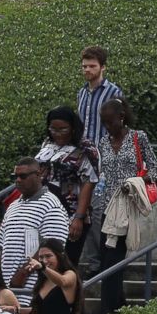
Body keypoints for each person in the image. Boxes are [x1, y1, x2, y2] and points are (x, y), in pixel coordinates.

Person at [96, 98, 157, 314]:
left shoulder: (137, 137)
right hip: (107, 206)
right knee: (107, 258)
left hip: (127, 206)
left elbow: (155, 169)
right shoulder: (103, 142)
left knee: (113, 258)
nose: (107, 128)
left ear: (121, 118)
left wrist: (135, 183)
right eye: (104, 123)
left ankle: (108, 310)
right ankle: (118, 304)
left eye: (110, 122)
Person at [0, 157, 70, 307]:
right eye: (15, 176)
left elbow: (52, 250)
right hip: (7, 292)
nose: (18, 180)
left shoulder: (51, 205)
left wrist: (22, 275)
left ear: (38, 175)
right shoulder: (12, 206)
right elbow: (2, 247)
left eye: (23, 176)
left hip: (32, 293)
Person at [76, 46, 122, 278]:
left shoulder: (113, 92)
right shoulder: (82, 93)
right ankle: (93, 261)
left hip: (104, 161)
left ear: (103, 67)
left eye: (92, 66)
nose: (87, 70)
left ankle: (99, 263)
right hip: (85, 159)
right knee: (84, 211)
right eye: (84, 66)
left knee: (98, 213)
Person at [36, 106, 100, 266]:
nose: (57, 133)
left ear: (73, 128)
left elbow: (89, 182)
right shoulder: (47, 143)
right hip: (45, 210)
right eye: (53, 129)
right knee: (44, 263)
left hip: (71, 212)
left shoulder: (86, 148)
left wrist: (78, 217)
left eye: (62, 129)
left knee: (66, 263)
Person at [25, 239, 84, 314]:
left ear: (60, 255)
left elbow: (63, 281)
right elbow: (39, 310)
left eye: (48, 256)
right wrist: (16, 310)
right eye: (41, 257)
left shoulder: (70, 274)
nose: (44, 260)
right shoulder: (43, 280)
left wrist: (42, 268)